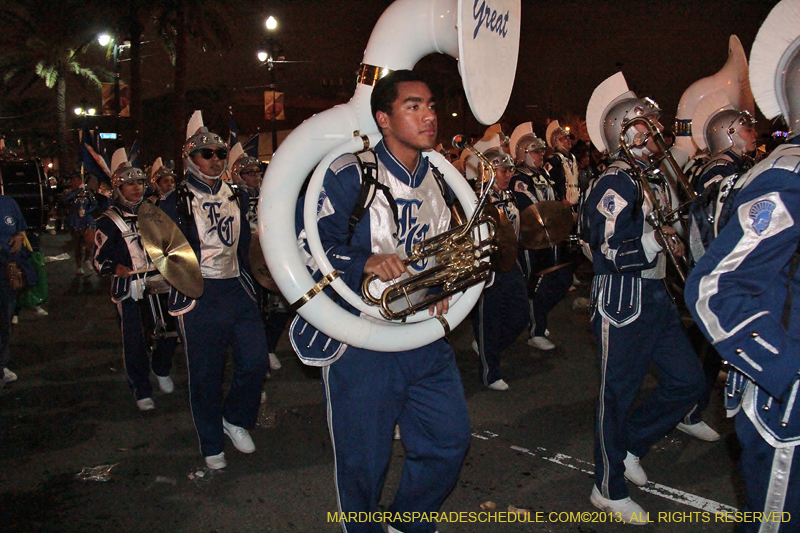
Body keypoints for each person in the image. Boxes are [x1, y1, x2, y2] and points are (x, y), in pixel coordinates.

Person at [293, 70, 471, 533]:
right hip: (363, 340)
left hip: (422, 336)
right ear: (383, 119)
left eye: (431, 105)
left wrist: (439, 289)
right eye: (413, 106)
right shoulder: (349, 171)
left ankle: (408, 521)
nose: (429, 115)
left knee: (449, 440)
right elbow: (305, 245)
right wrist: (364, 261)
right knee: (363, 466)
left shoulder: (440, 177)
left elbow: (442, 249)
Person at [686, 1, 800, 528]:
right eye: (745, 130)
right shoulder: (773, 175)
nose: (753, 135)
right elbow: (715, 274)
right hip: (780, 382)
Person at [583, 72, 705, 523]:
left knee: (688, 382)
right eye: (646, 125)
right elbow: (607, 249)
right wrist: (655, 241)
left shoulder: (649, 176)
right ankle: (606, 486)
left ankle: (632, 443)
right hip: (622, 298)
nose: (655, 131)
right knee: (615, 395)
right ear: (626, 132)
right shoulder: (616, 180)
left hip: (652, 294)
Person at [160, 111, 270, 470]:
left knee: (254, 361)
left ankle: (235, 418)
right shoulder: (172, 200)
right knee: (205, 373)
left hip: (237, 286)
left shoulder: (238, 195)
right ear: (189, 159)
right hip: (199, 293)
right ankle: (210, 440)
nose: (215, 160)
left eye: (220, 154)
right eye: (206, 154)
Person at [679, 95, 758, 443]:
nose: (752, 132)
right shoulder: (721, 169)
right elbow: (716, 224)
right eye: (745, 128)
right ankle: (689, 408)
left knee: (711, 340)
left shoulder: (733, 166)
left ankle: (693, 403)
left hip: (722, 265)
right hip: (718, 266)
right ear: (728, 133)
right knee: (707, 341)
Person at [93, 150, 176, 411]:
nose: (136, 188)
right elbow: (98, 259)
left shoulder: (156, 213)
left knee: (169, 331)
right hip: (130, 288)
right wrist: (114, 267)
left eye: (140, 182)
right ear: (118, 188)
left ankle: (161, 368)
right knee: (135, 340)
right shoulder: (108, 221)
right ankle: (140, 388)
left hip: (160, 281)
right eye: (129, 183)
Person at [509, 124, 574, 351]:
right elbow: (530, 208)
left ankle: (536, 319)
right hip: (531, 237)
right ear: (524, 153)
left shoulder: (541, 174)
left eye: (540, 151)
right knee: (535, 284)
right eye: (535, 152)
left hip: (548, 234)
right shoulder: (519, 178)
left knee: (558, 279)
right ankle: (534, 329)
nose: (540, 155)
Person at [470, 147, 529, 391]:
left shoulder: (510, 196)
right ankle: (490, 371)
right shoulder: (476, 199)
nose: (508, 175)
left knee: (520, 314)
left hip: (510, 262)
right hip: (489, 267)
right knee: (488, 320)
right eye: (503, 171)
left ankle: (487, 346)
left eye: (509, 171)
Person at [229, 148, 284, 372]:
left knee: (282, 306)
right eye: (248, 173)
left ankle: (269, 347)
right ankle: (256, 353)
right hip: (246, 260)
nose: (255, 176)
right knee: (255, 308)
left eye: (257, 171)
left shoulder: (270, 193)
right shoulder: (231, 198)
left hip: (271, 255)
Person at [0, 194, 32, 388]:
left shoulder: (8, 203)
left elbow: (20, 229)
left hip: (7, 271)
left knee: (5, 318)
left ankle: (2, 364)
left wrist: (19, 237)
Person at [61, 173, 97, 276]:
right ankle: (79, 266)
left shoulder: (87, 193)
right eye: (73, 181)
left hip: (86, 218)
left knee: (90, 241)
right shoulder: (68, 192)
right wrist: (77, 191)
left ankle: (87, 259)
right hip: (74, 220)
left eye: (77, 180)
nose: (74, 182)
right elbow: (65, 200)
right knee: (78, 244)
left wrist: (87, 211)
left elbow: (94, 204)